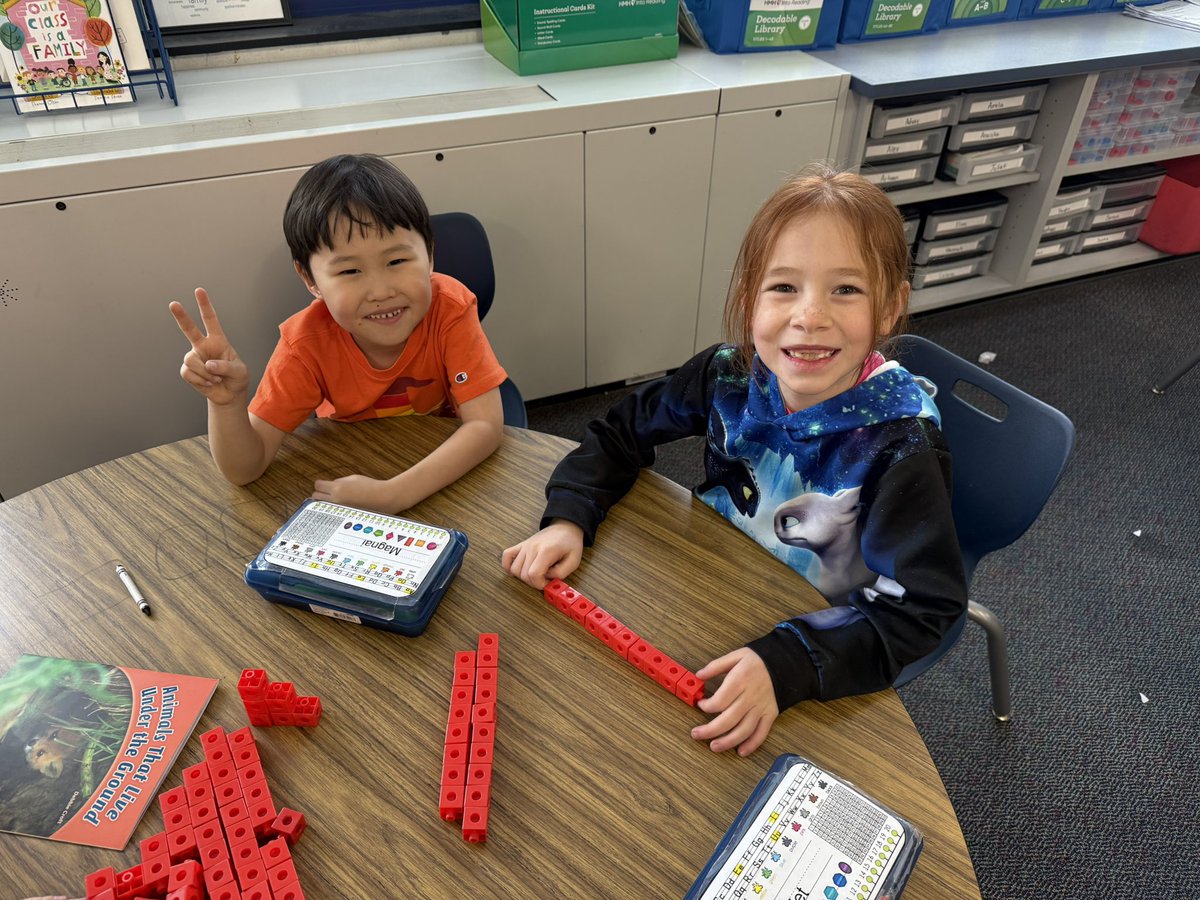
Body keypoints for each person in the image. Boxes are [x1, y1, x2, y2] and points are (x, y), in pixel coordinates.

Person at [502, 164, 966, 757]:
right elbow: (619, 432)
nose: (810, 316)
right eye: (783, 287)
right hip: (708, 591)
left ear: (889, 308)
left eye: (845, 289)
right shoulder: (729, 373)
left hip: (817, 646)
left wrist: (790, 665)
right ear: (749, 298)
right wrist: (569, 515)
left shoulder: (902, 446)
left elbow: (923, 609)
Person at [170, 154, 506, 514]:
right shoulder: (305, 345)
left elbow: (485, 425)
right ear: (310, 280)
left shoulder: (450, 308)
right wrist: (227, 405)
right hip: (349, 468)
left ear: (430, 255)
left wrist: (394, 494)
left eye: (396, 262)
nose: (380, 291)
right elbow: (244, 470)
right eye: (350, 271)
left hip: (439, 467)